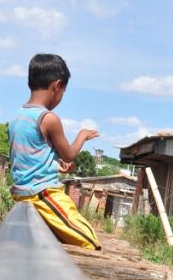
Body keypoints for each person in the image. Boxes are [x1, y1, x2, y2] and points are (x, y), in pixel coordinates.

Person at [8, 54, 102, 250]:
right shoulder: (49, 118)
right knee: (91, 242)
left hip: (22, 193)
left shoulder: (18, 115)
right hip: (43, 194)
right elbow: (69, 154)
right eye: (63, 92)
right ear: (57, 86)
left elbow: (31, 156)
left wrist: (56, 165)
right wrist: (82, 136)